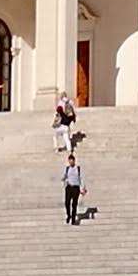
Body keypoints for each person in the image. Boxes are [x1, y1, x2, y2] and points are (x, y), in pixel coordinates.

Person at [52, 96, 84, 226]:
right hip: (69, 187)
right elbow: (72, 116)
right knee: (66, 139)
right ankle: (69, 149)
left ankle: (72, 218)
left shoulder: (61, 110)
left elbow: (81, 178)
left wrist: (83, 187)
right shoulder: (69, 112)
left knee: (57, 136)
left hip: (75, 187)